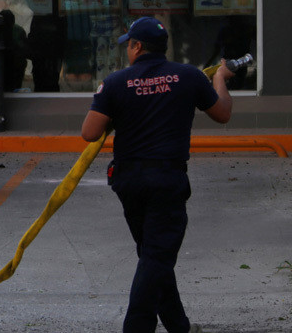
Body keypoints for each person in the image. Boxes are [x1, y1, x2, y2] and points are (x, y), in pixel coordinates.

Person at [81, 17, 233, 333]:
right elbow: (223, 114)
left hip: (129, 181)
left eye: (129, 45)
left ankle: (178, 324)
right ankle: (138, 326)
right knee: (156, 257)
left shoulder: (115, 82)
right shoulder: (189, 76)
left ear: (136, 47)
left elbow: (89, 133)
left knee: (153, 255)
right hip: (167, 179)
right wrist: (221, 78)